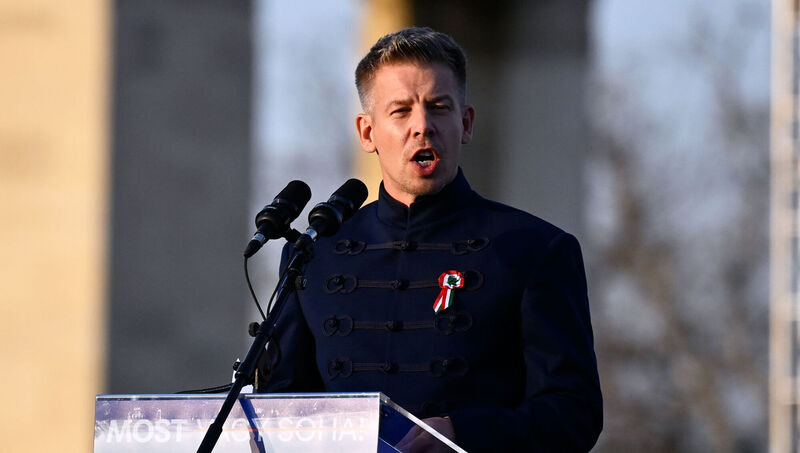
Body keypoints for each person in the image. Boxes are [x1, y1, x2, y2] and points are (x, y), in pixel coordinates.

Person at [261, 26, 602, 452]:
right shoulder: (313, 253)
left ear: (465, 123)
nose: (422, 126)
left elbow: (574, 412)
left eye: (438, 107)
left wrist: (462, 433)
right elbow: (280, 412)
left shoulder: (535, 249)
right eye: (401, 111)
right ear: (367, 133)